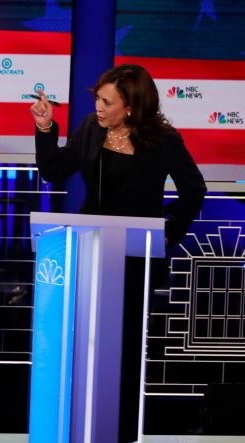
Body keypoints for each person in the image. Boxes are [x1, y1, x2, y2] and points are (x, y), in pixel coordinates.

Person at [30, 64, 207, 443]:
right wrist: (45, 129)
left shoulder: (164, 141)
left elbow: (194, 192)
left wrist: (162, 236)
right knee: (82, 348)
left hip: (135, 263)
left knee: (124, 356)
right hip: (87, 255)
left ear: (131, 107)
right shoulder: (92, 129)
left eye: (107, 101)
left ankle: (121, 432)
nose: (98, 106)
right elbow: (55, 171)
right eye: (97, 97)